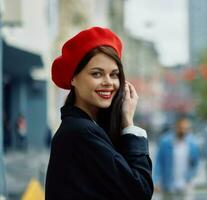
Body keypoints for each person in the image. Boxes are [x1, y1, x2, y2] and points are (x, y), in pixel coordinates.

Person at [45, 27, 153, 200]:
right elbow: (140, 191)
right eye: (97, 74)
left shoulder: (86, 128)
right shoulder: (81, 132)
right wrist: (129, 124)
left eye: (114, 74)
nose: (108, 82)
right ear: (73, 78)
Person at [153, 117, 200, 200]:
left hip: (186, 184)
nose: (183, 130)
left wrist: (192, 176)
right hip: (168, 183)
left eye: (186, 128)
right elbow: (159, 162)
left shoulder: (193, 144)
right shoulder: (165, 142)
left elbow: (195, 163)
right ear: (176, 127)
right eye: (181, 128)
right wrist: (156, 181)